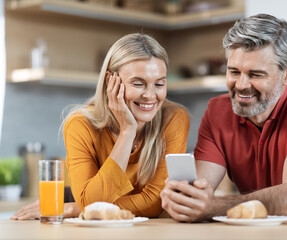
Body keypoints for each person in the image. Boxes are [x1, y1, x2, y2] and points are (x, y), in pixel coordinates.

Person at [160, 13, 287, 222]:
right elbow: (199, 192)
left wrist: (214, 206)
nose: (241, 85)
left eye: (255, 74)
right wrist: (183, 200)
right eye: (234, 71)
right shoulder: (217, 111)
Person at [11, 33, 190, 220]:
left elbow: (154, 203)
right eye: (138, 83)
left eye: (159, 84)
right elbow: (90, 203)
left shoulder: (174, 120)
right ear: (110, 81)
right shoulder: (80, 126)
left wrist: (74, 208)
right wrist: (127, 131)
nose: (150, 95)